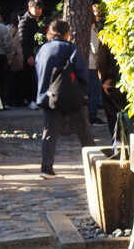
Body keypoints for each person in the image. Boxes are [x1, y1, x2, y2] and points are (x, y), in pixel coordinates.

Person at [35, 19, 94, 177]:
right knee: (83, 130)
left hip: (49, 95)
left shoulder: (43, 49)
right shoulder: (70, 48)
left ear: (51, 32)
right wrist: (85, 92)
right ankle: (95, 164)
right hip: (71, 94)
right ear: (67, 33)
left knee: (49, 133)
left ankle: (46, 167)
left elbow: (38, 70)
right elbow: (81, 71)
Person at [96, 32, 127, 144]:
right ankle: (125, 138)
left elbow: (102, 60)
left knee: (112, 112)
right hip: (125, 78)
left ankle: (117, 140)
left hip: (110, 80)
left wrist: (101, 75)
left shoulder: (105, 36)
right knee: (125, 110)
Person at [18, 0, 45, 106]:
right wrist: (28, 56)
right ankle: (31, 100)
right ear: (30, 8)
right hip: (31, 54)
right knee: (30, 78)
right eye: (35, 8)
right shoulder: (24, 21)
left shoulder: (43, 20)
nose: (38, 10)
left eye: (40, 8)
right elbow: (23, 41)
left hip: (42, 54)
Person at [88, 1, 104, 124]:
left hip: (86, 62)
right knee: (94, 91)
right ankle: (92, 116)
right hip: (91, 63)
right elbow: (95, 47)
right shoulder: (91, 30)